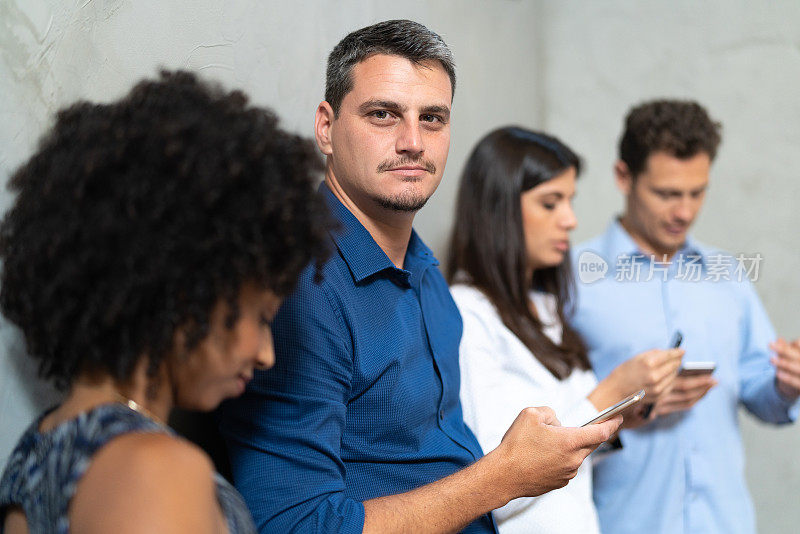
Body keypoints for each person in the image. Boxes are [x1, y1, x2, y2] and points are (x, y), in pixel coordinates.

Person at [217, 20, 621, 534]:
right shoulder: (301, 286)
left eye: (432, 118)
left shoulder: (428, 275)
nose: (413, 142)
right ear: (326, 127)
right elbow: (296, 525)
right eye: (382, 114)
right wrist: (504, 475)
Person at [0, 70, 331, 533]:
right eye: (261, 317)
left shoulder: (37, 449)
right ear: (186, 293)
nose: (266, 353)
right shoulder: (158, 471)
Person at [570, 99, 800, 534]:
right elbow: (550, 419)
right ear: (624, 176)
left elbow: (760, 393)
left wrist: (787, 385)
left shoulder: (728, 275)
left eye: (697, 192)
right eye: (667, 194)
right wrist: (627, 406)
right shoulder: (571, 281)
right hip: (621, 522)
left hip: (725, 522)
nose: (685, 212)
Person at [446, 126, 684, 533]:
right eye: (550, 203)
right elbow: (493, 486)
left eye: (570, 202)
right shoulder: (468, 314)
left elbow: (567, 459)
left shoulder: (545, 309)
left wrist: (626, 412)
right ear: (498, 208)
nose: (570, 221)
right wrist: (609, 392)